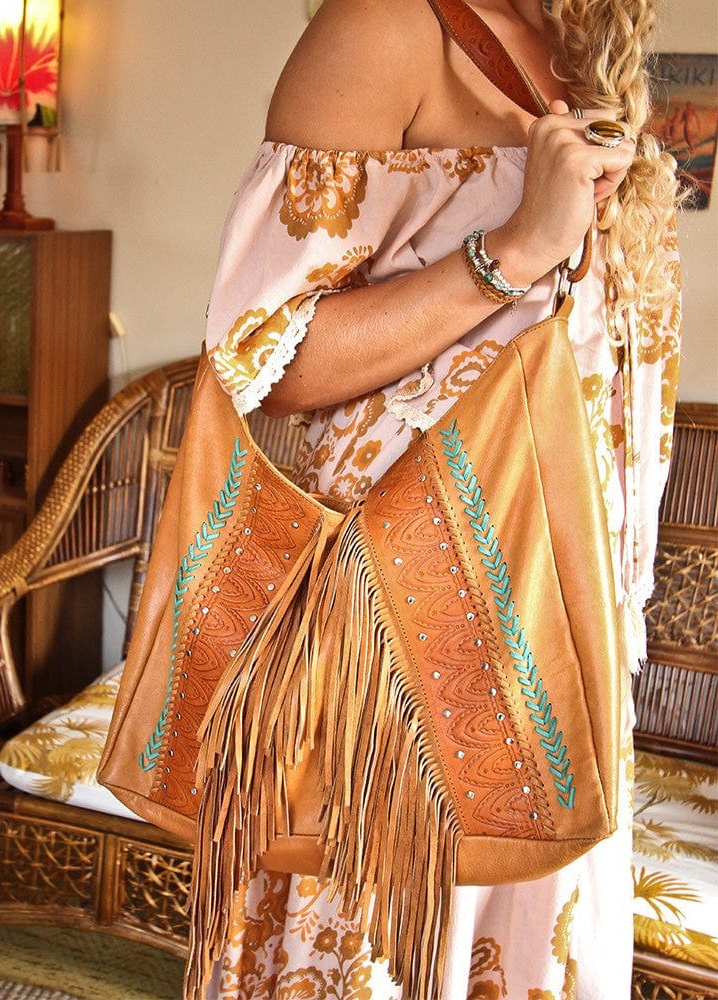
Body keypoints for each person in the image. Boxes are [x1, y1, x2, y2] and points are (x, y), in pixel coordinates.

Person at [196, 0, 682, 996]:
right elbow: (267, 362)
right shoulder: (385, 27)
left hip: (555, 637)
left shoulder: (581, 47)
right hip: (406, 636)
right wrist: (514, 251)